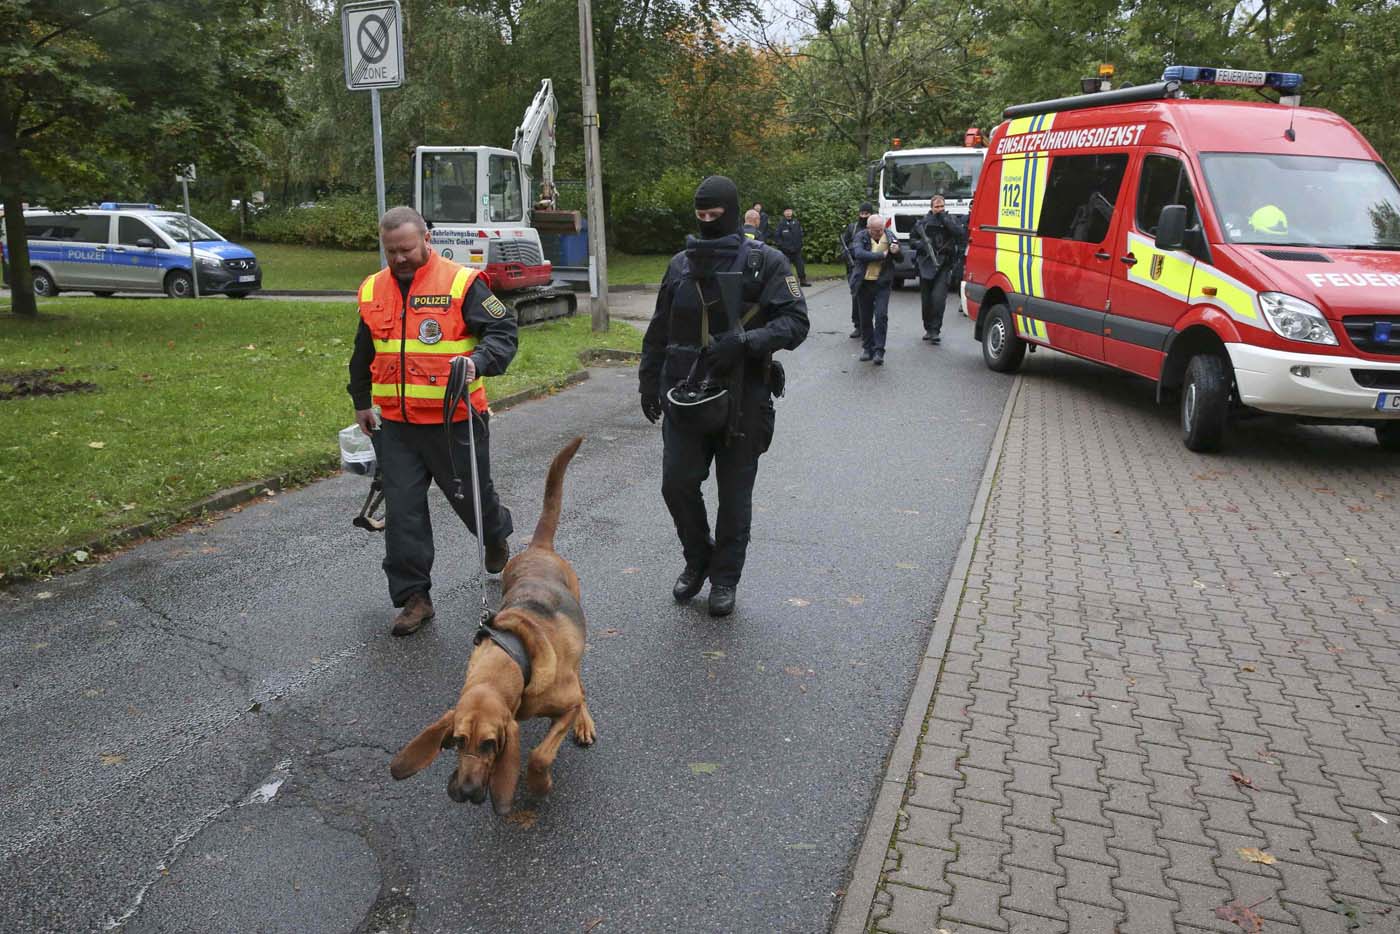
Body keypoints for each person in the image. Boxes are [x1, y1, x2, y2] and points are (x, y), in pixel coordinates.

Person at [639, 176, 809, 617]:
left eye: (716, 215)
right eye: (701, 216)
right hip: (685, 396)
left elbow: (796, 323)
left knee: (734, 499)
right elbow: (659, 329)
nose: (709, 223)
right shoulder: (680, 265)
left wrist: (749, 341)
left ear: (731, 212)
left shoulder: (767, 263)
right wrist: (647, 380)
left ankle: (725, 579)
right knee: (676, 485)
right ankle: (698, 559)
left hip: (743, 399)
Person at [348, 206, 518, 637]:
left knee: (473, 501)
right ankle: (414, 598)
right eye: (391, 252)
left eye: (406, 249)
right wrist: (361, 401)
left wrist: (478, 362)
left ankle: (496, 537)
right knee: (403, 515)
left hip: (454, 421)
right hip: (398, 428)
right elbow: (364, 352)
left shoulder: (462, 283)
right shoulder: (372, 290)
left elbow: (503, 333)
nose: (399, 258)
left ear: (426, 239)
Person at [910, 195, 965, 344]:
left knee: (938, 299)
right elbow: (912, 240)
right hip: (925, 264)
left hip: (944, 265)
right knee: (927, 300)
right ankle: (928, 328)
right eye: (937, 207)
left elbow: (960, 234)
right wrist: (921, 244)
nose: (939, 210)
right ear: (931, 207)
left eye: (942, 207)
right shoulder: (923, 222)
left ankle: (935, 330)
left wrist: (945, 221)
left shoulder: (951, 220)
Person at [849, 214, 899, 365]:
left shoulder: (890, 236)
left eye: (881, 229)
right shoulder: (860, 237)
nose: (879, 232)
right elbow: (859, 254)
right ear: (868, 228)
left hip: (882, 284)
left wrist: (897, 251)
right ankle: (867, 348)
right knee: (865, 318)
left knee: (881, 316)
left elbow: (900, 258)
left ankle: (879, 351)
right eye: (875, 230)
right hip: (863, 283)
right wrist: (881, 255)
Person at [840, 203, 874, 339]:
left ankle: (867, 325)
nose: (864, 216)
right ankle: (858, 325)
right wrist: (845, 254)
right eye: (862, 213)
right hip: (853, 268)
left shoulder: (875, 227)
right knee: (856, 296)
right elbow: (844, 244)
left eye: (867, 214)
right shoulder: (852, 228)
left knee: (869, 298)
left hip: (870, 266)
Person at [773, 208, 811, 287]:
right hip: (785, 251)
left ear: (792, 212)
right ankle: (785, 284)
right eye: (786, 211)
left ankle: (803, 281)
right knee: (785, 268)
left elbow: (800, 234)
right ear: (784, 213)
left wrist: (800, 245)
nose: (788, 213)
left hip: (796, 250)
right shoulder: (781, 224)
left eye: (790, 211)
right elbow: (777, 237)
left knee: (800, 266)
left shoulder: (796, 222)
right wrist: (783, 246)